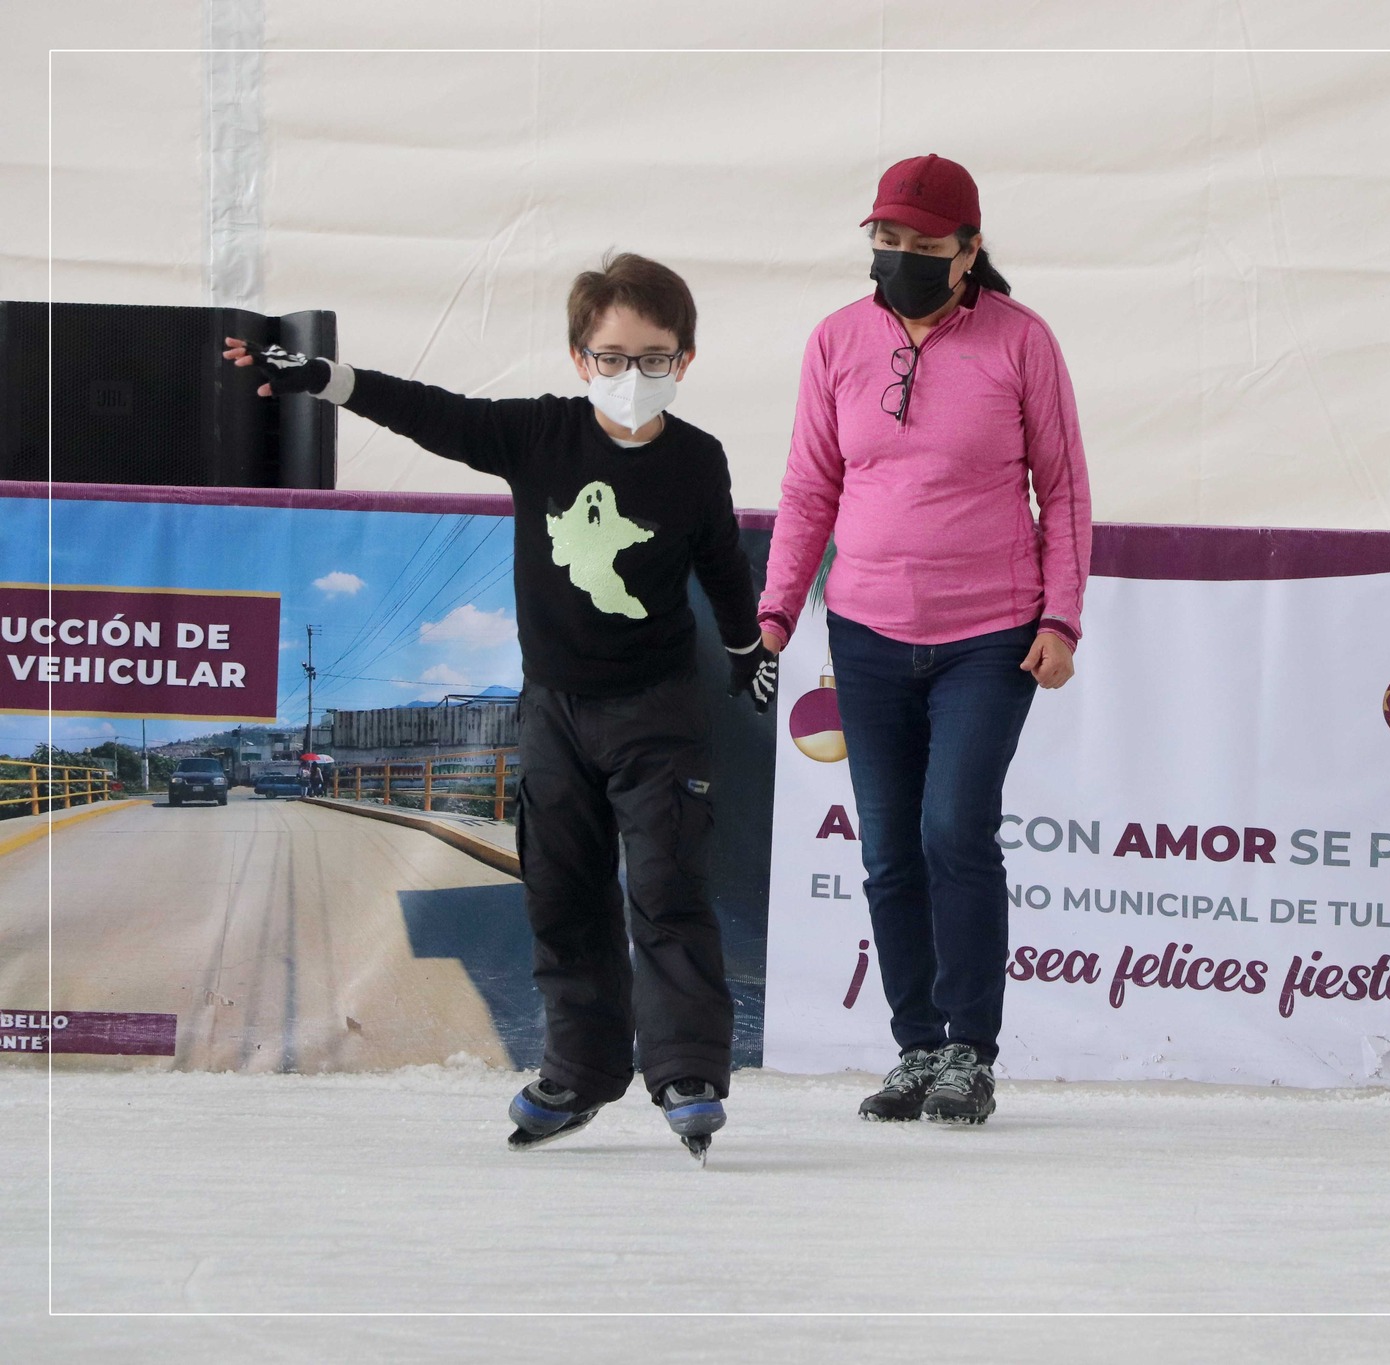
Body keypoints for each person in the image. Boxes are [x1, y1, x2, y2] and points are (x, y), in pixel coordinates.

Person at [223, 252, 779, 1158]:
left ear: (684, 362)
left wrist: (748, 647)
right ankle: (580, 1066)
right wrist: (329, 378)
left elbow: (720, 562)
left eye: (652, 358)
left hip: (659, 712)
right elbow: (431, 413)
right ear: (577, 357)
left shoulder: (695, 459)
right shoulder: (538, 436)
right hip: (557, 711)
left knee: (669, 885)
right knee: (561, 892)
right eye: (611, 355)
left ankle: (686, 1070)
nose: (629, 376)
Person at [758, 154, 1092, 1125]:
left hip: (991, 636)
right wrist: (778, 612)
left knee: (954, 828)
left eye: (921, 246)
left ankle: (967, 1051)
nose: (899, 258)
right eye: (885, 241)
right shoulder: (835, 342)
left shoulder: (1019, 343)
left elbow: (1061, 486)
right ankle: (913, 1050)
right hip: (863, 630)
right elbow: (809, 484)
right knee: (888, 850)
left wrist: (1060, 615)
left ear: (969, 249)